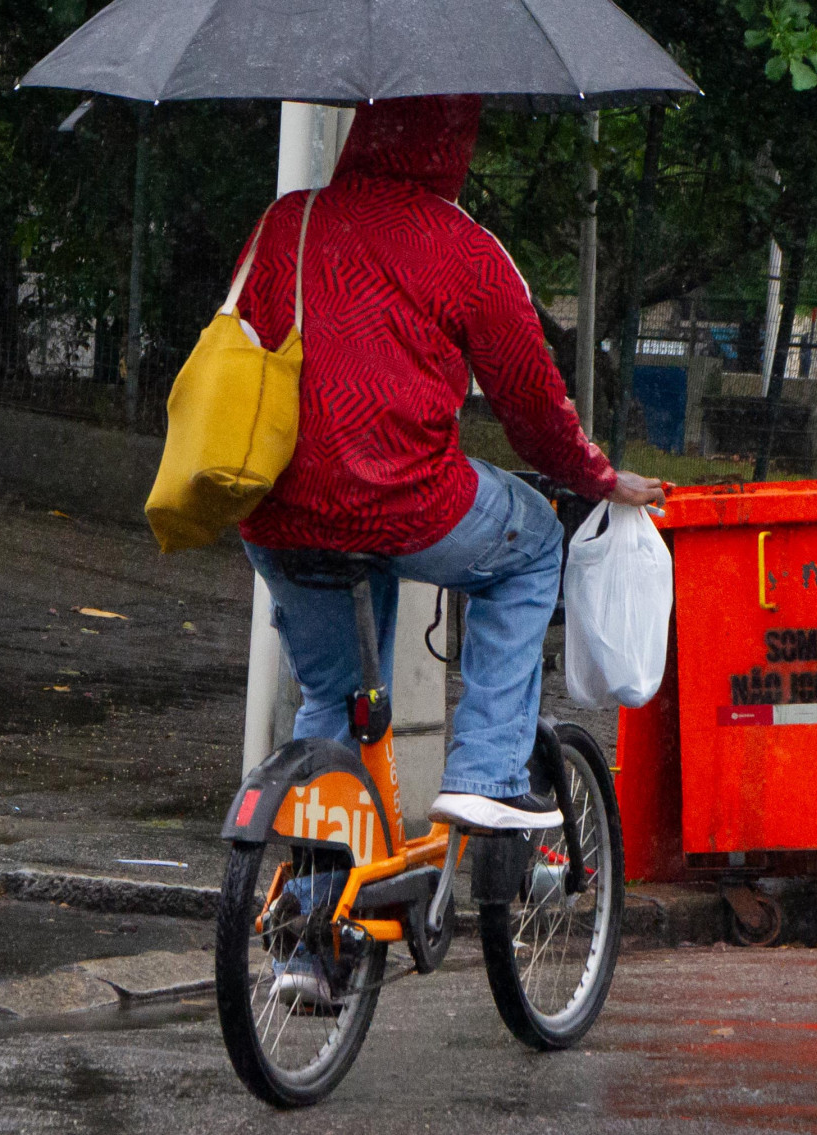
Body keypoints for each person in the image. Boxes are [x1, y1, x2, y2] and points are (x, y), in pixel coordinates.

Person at [233, 94, 665, 839]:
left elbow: (242, 339)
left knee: (334, 699)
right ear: (452, 142)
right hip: (405, 502)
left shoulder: (289, 221)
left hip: (278, 508)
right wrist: (598, 475)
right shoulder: (466, 251)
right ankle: (485, 770)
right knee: (532, 541)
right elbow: (533, 409)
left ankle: (314, 927)